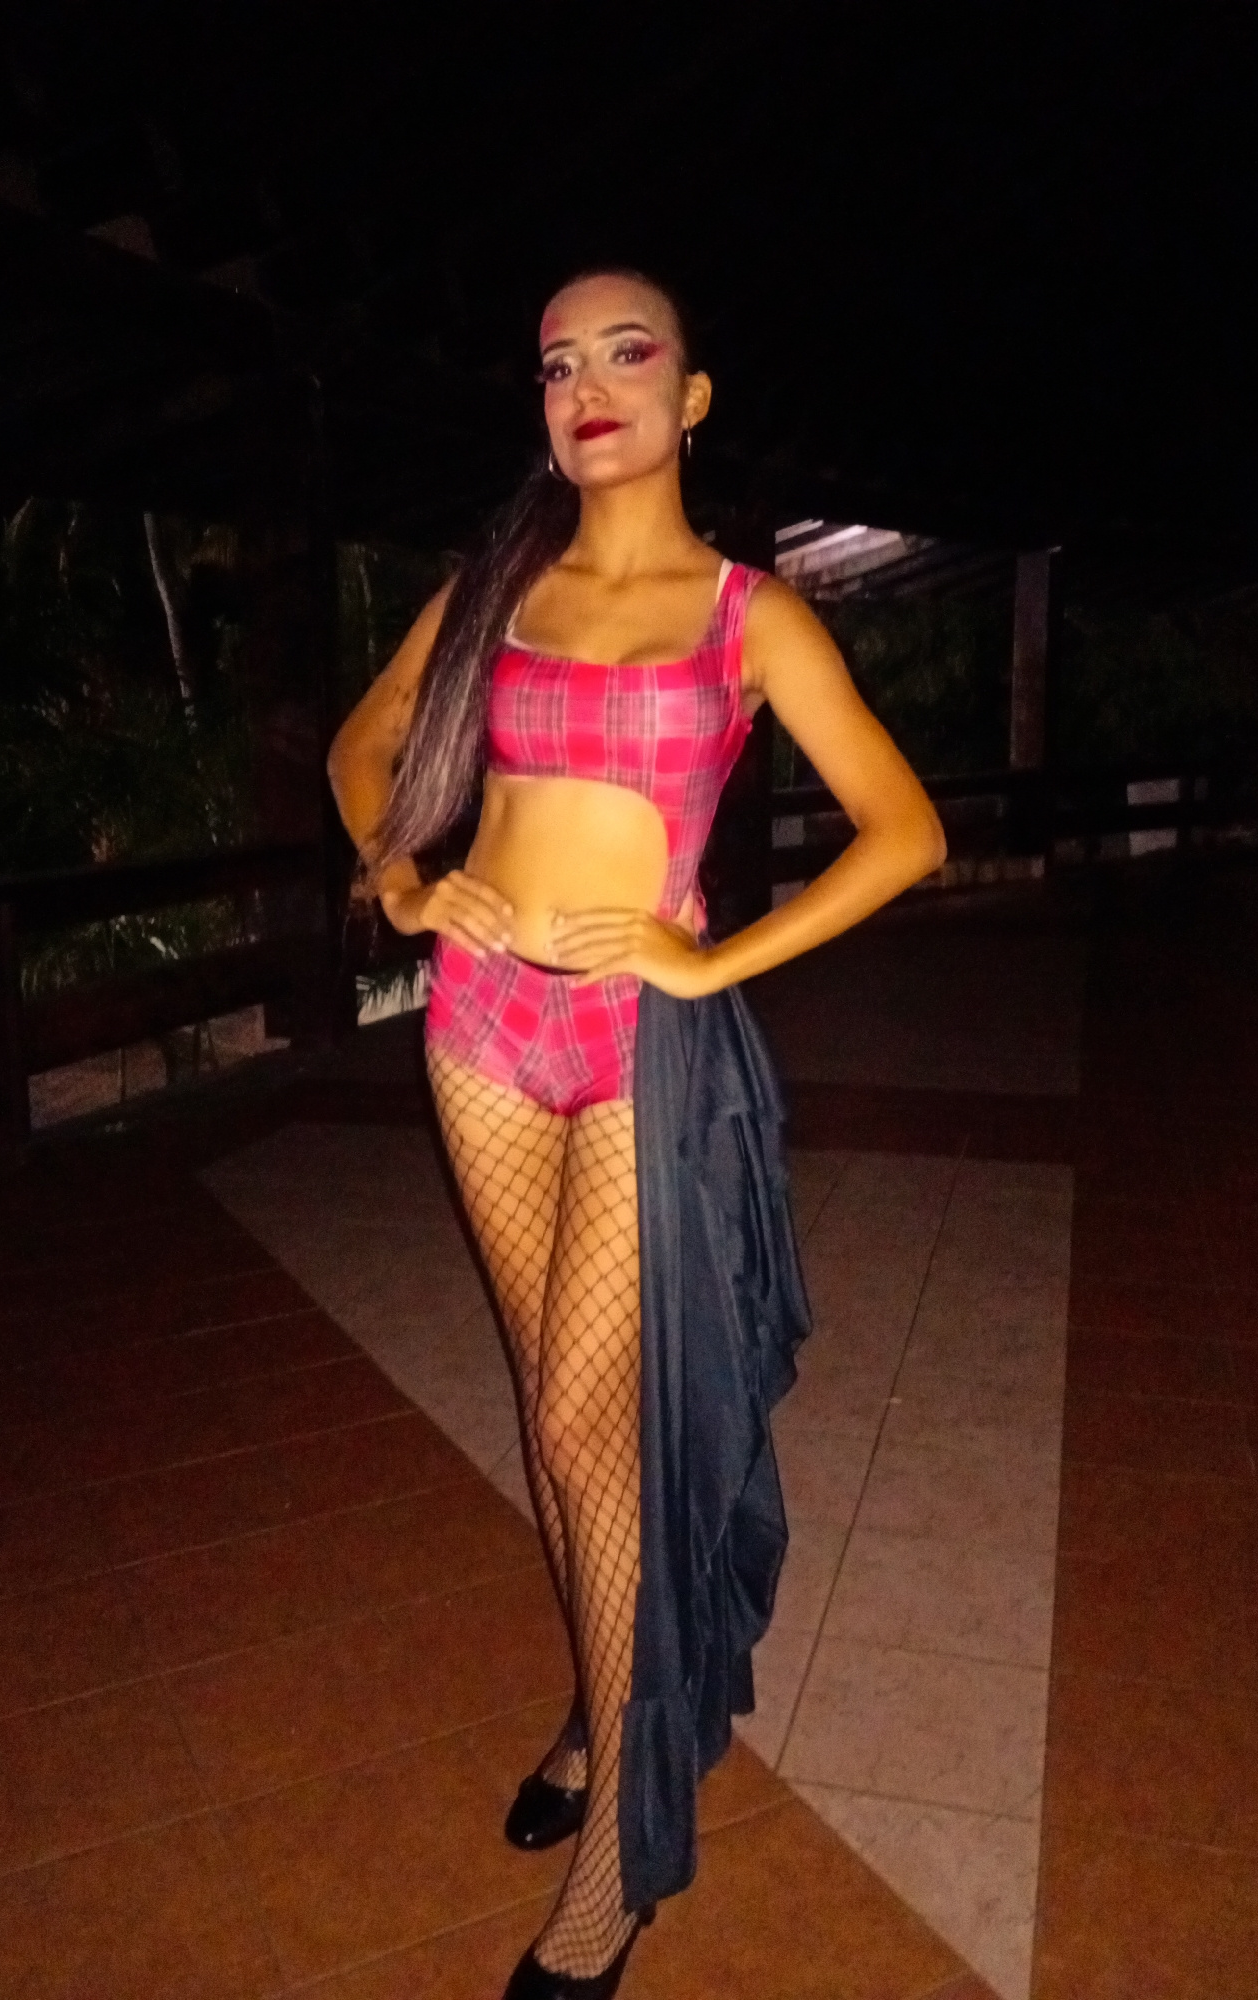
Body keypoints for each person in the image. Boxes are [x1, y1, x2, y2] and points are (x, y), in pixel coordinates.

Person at [328, 268, 944, 2000]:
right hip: (478, 1022)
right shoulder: (493, 588)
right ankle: (606, 1714)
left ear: (691, 398)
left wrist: (708, 959)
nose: (586, 385)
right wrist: (402, 882)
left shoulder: (751, 614)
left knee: (583, 1420)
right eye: (555, 364)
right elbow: (363, 747)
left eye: (626, 354)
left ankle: (622, 1843)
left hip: (630, 1043)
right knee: (553, 1404)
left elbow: (902, 831)